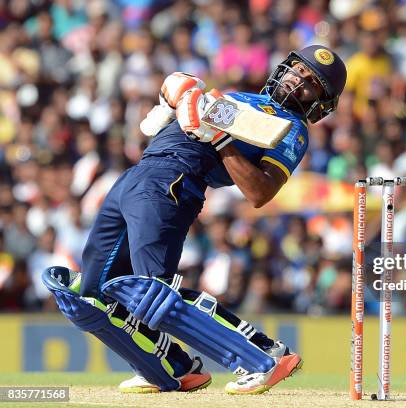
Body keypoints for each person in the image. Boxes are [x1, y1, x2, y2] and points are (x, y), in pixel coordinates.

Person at [42, 45, 346, 395]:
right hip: (135, 175)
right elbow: (188, 110)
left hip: (173, 181)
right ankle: (172, 368)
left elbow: (260, 192)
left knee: (152, 293)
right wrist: (172, 100)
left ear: (320, 103)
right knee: (90, 300)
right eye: (298, 70)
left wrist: (221, 140)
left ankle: (264, 355)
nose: (298, 81)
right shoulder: (236, 96)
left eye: (311, 83)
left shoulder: (292, 128)